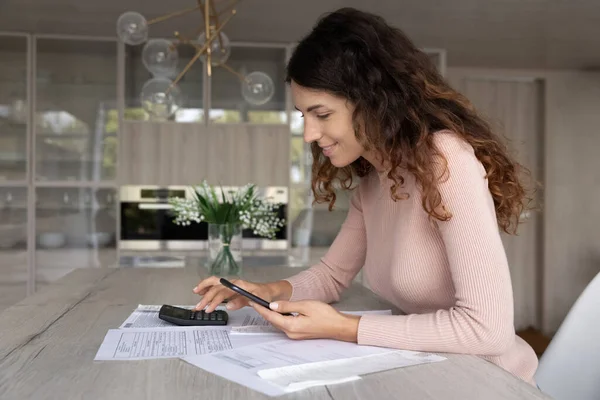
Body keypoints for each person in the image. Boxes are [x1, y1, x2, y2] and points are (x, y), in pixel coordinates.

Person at [193, 7, 539, 386]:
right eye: (303, 115)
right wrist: (265, 292)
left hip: (489, 382)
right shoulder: (376, 180)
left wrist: (345, 327)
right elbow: (330, 277)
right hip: (431, 374)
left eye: (322, 114)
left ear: (373, 102)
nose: (308, 133)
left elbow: (487, 331)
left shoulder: (445, 160)